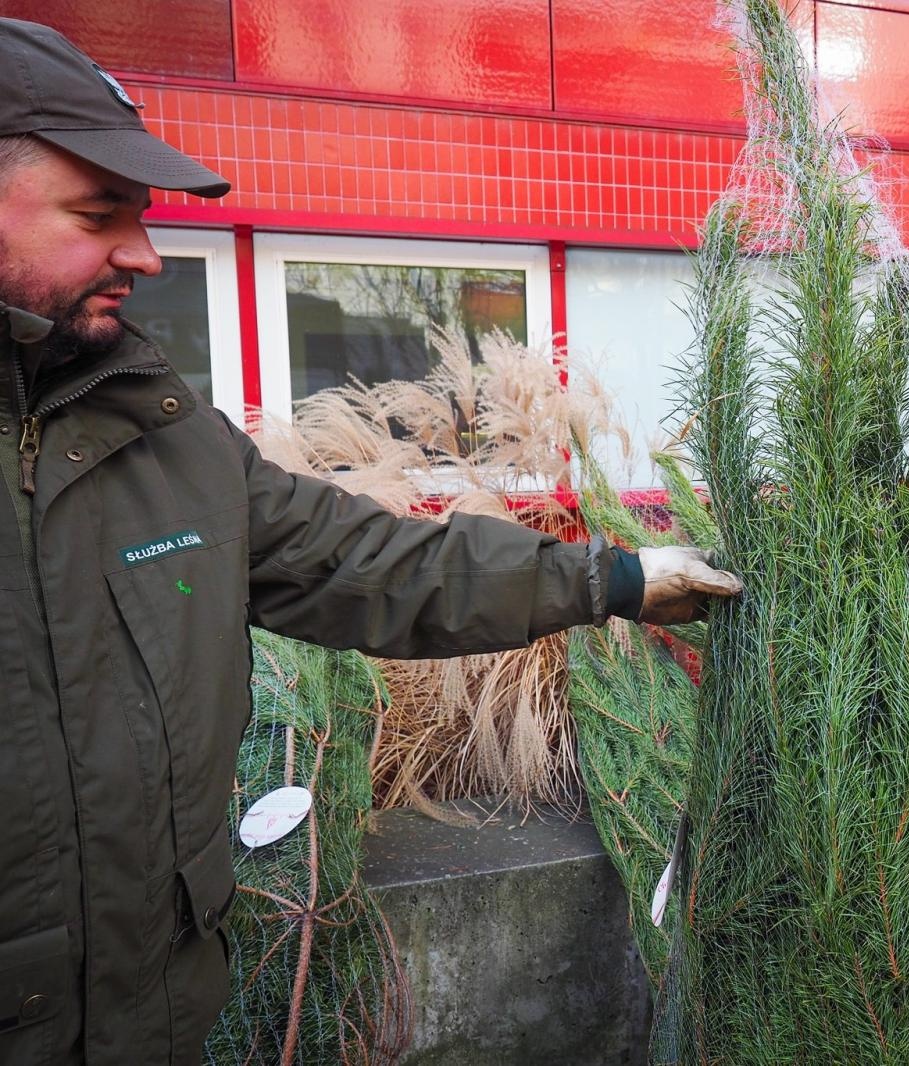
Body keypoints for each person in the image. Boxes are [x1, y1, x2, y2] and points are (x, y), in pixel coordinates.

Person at [0, 17, 741, 1064]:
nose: (147, 255)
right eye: (98, 213)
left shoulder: (166, 448)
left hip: (145, 1026)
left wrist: (616, 576)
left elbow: (379, 564)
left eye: (145, 217)